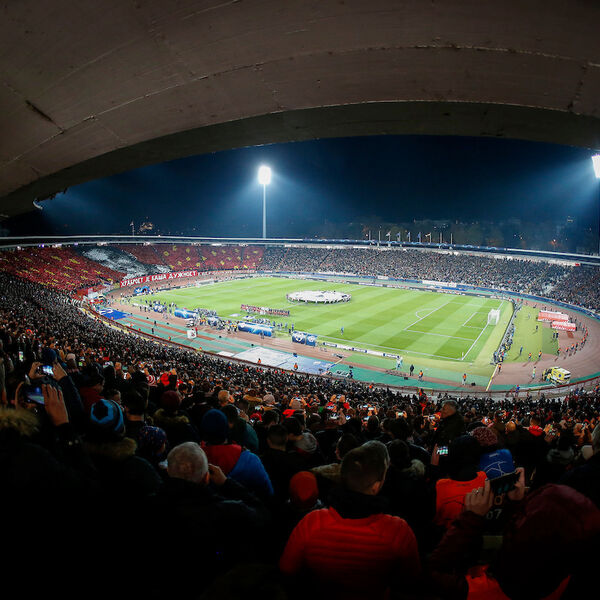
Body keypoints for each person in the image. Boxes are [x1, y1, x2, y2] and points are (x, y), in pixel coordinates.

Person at [279, 441, 421, 599]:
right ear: (376, 486)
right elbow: (409, 580)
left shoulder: (312, 522)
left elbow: (287, 569)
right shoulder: (397, 530)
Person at [148, 442, 270, 598]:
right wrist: (227, 483)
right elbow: (262, 515)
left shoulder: (148, 505)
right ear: (207, 477)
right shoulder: (228, 512)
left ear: (168, 470)